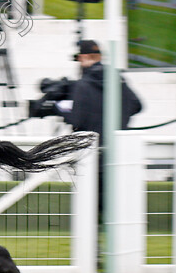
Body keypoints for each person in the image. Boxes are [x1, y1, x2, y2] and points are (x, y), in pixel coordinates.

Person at [37, 40, 142, 220]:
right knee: (116, 216)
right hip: (118, 155)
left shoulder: (83, 85)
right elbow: (137, 105)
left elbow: (76, 119)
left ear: (84, 58)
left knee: (91, 217)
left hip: (93, 157)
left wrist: (55, 109)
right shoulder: (119, 79)